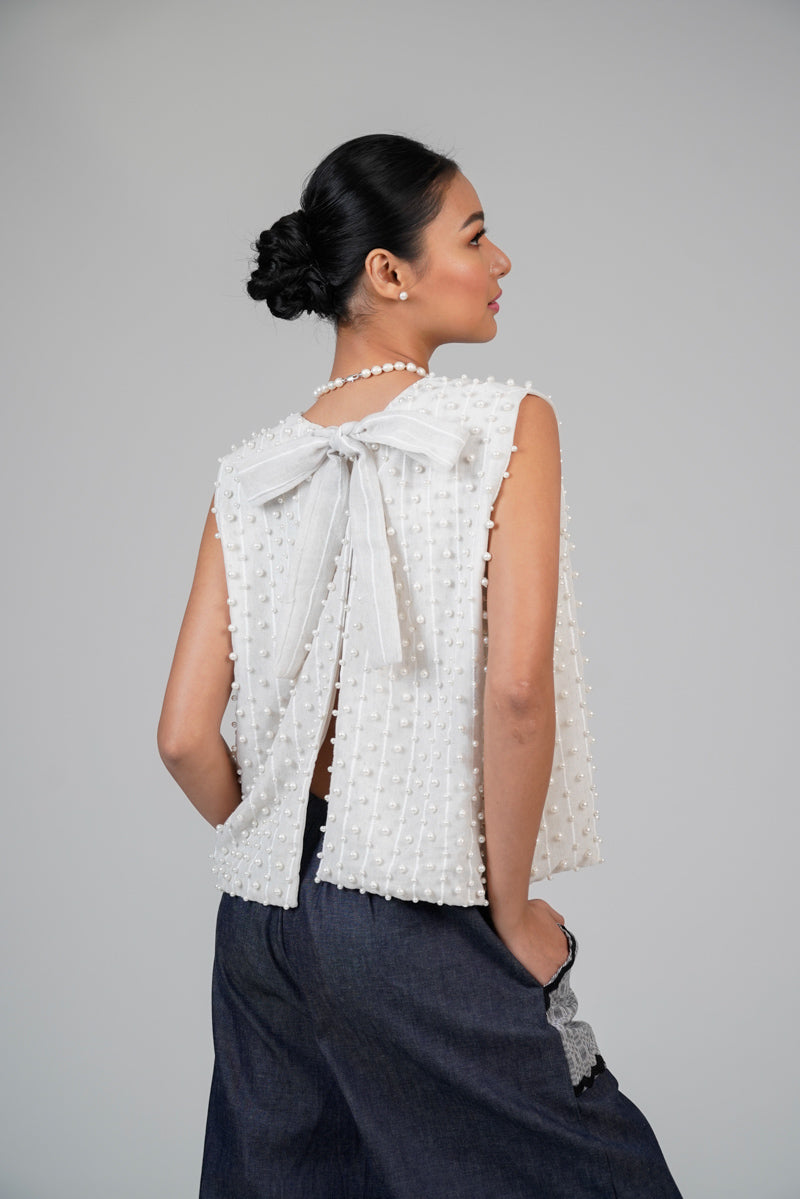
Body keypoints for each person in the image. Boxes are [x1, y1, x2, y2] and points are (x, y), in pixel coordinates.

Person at [158, 133, 683, 1199]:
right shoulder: (505, 423)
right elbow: (517, 692)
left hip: (260, 921)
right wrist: (511, 911)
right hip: (411, 901)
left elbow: (180, 735)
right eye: (475, 236)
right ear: (389, 272)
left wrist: (276, 850)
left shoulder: (252, 468)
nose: (500, 261)